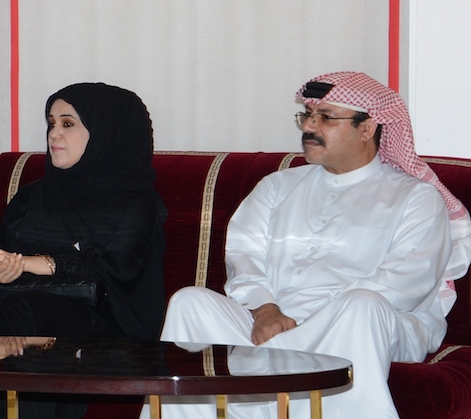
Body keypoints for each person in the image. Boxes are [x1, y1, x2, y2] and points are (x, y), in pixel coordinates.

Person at [150, 72, 471, 419]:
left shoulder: (416, 198)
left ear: (367, 128)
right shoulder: (276, 186)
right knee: (189, 302)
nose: (308, 127)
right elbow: (244, 256)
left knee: (362, 304)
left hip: (369, 326)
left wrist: (309, 324)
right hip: (274, 322)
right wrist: (265, 309)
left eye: (326, 117)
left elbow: (404, 285)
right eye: (307, 115)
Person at [0, 83, 168, 418]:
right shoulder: (30, 198)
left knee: (18, 313)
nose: (54, 134)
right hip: (25, 316)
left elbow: (116, 270)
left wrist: (35, 263)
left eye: (68, 124)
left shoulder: (137, 201)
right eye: (51, 123)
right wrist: (4, 272)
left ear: (107, 131)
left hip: (109, 331)